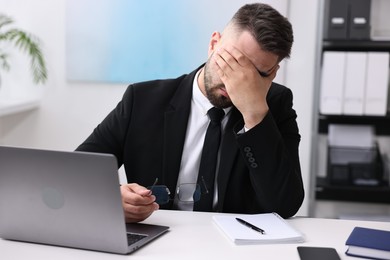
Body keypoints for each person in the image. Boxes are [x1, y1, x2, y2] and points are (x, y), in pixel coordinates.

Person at [76, 3, 304, 223]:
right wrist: (113, 196)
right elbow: (77, 172)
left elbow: (284, 205)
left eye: (255, 75)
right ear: (214, 44)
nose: (235, 81)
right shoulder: (142, 100)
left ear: (272, 74)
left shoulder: (276, 105)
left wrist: (254, 115)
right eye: (232, 63)